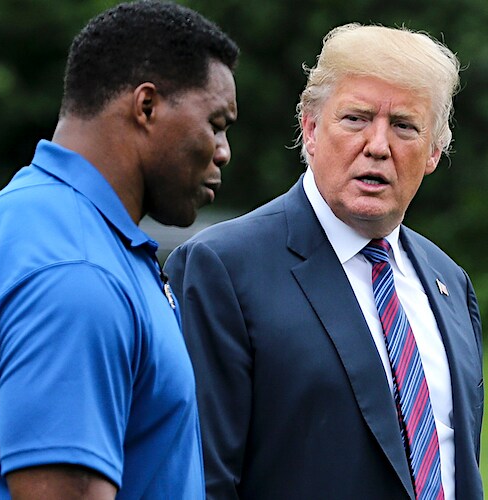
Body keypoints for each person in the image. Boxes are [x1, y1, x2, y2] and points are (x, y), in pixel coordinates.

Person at [0, 1, 238, 498]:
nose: (224, 150)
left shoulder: (29, 214)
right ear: (146, 107)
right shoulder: (77, 271)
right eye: (216, 123)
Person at [165, 23, 483, 499]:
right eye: (355, 118)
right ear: (310, 129)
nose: (378, 145)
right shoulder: (221, 269)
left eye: (404, 126)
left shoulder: (449, 282)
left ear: (434, 150)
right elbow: (200, 482)